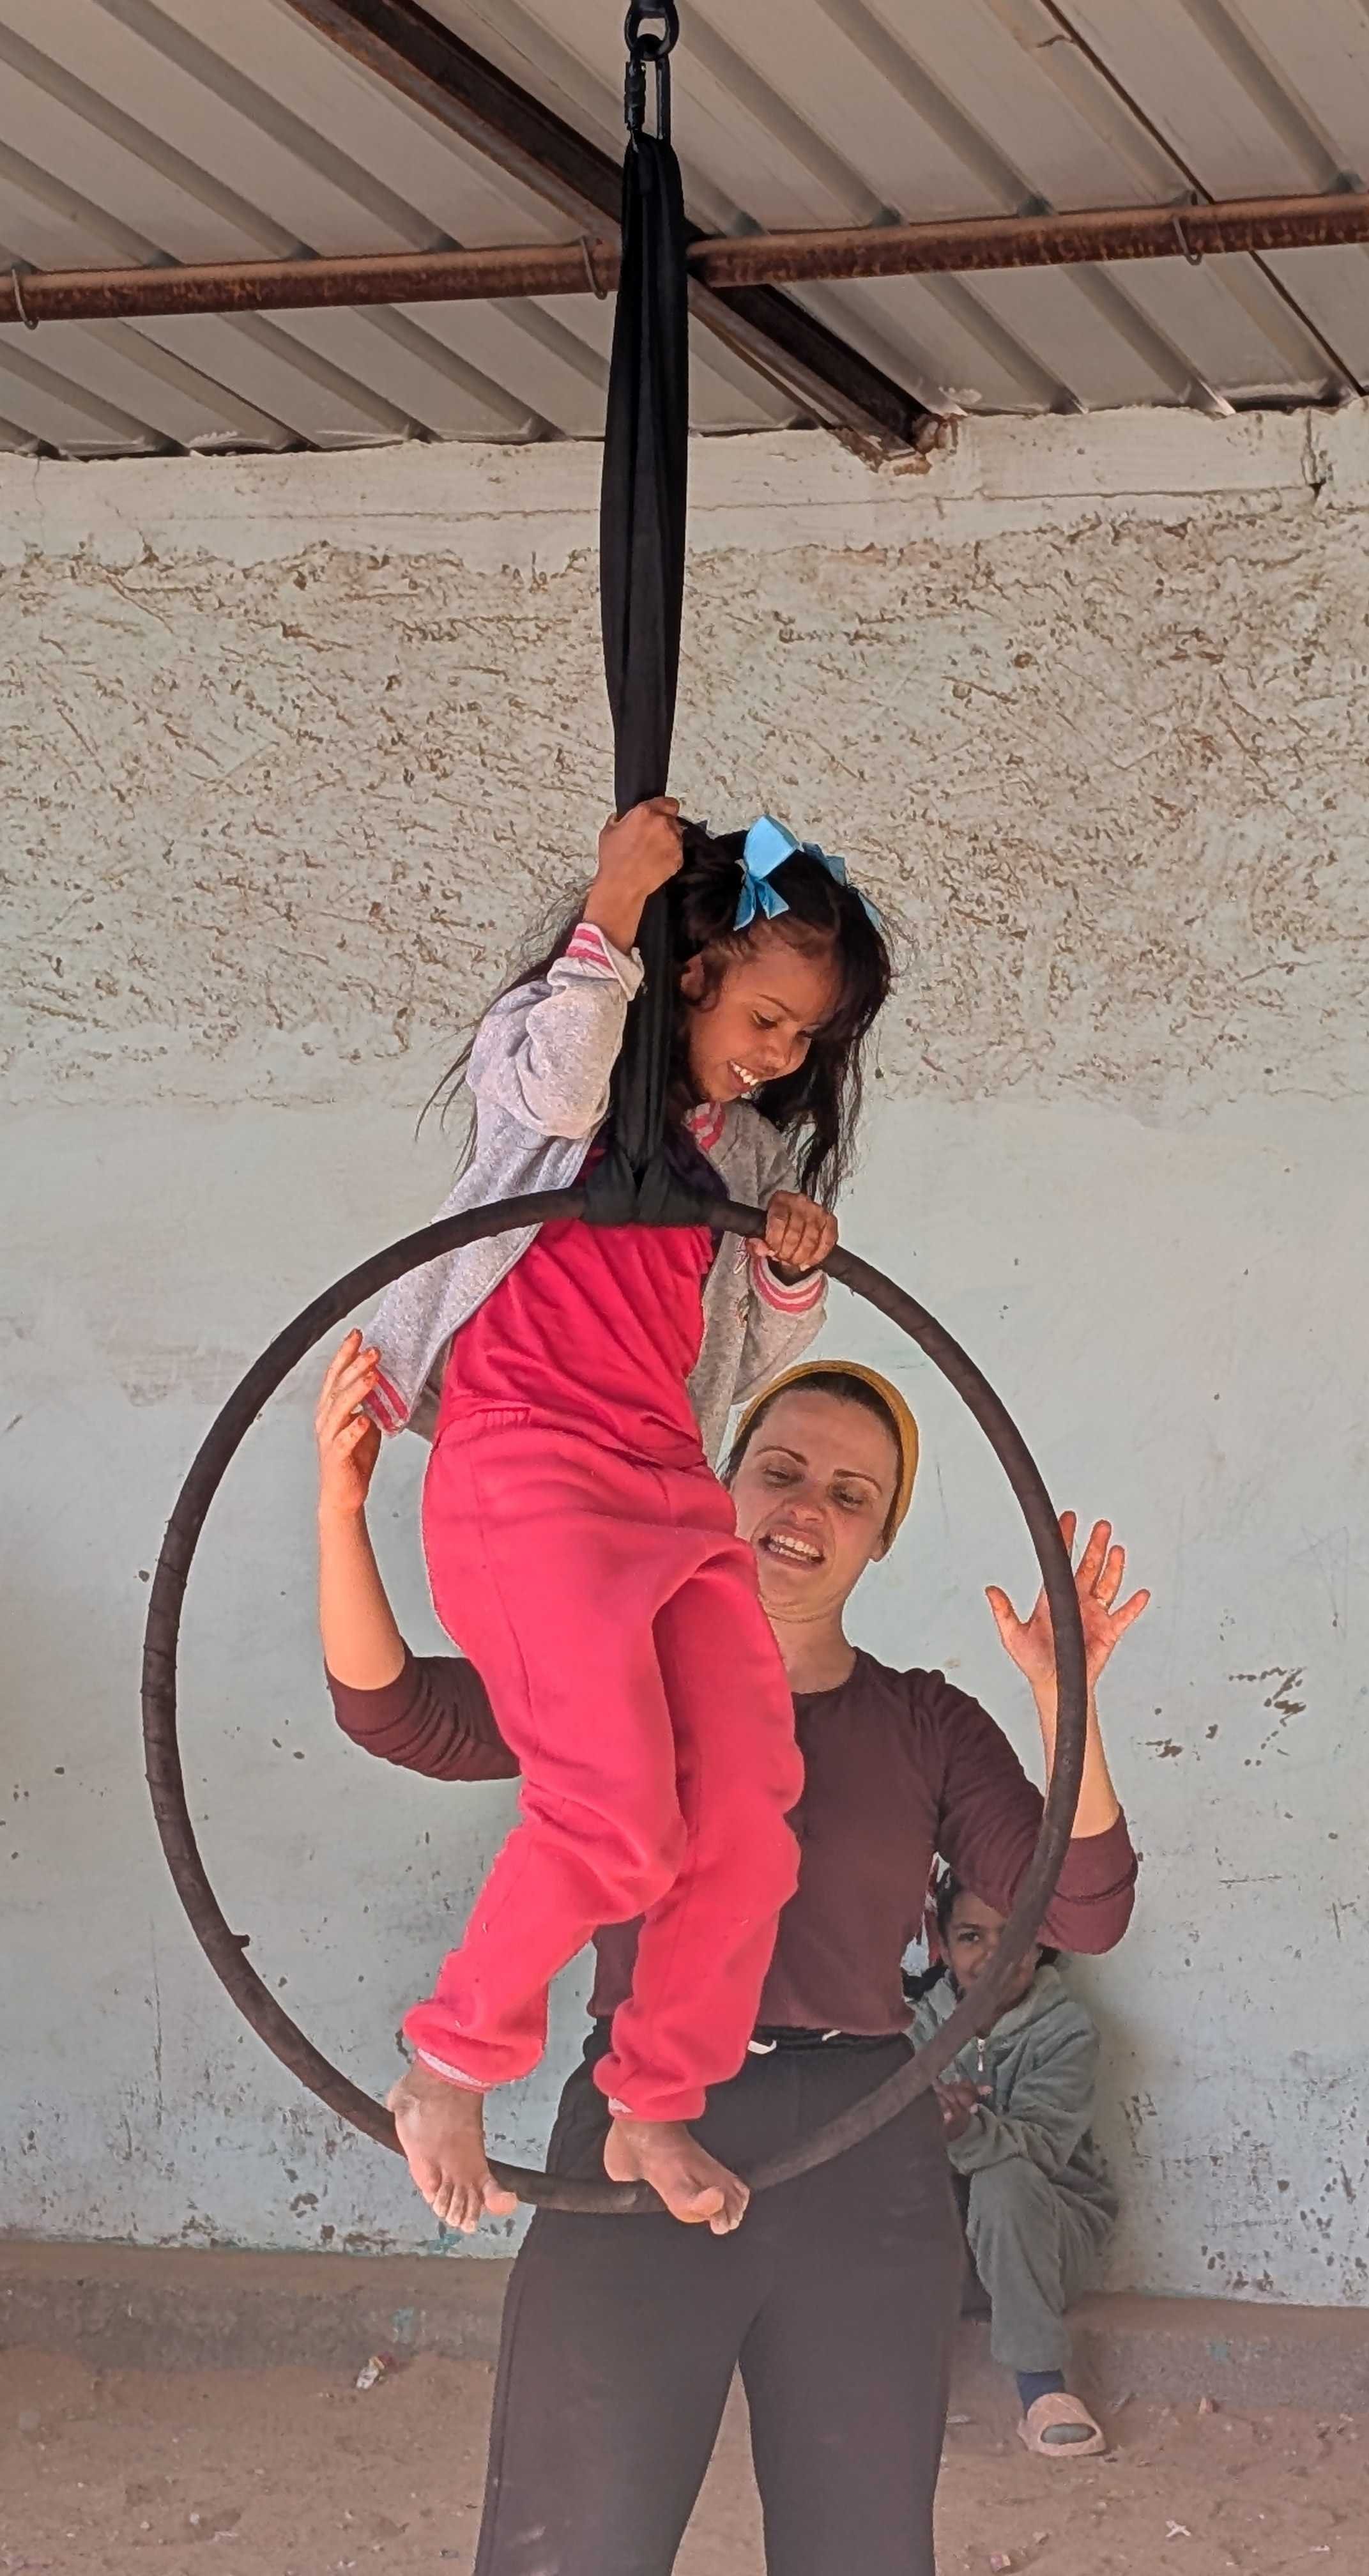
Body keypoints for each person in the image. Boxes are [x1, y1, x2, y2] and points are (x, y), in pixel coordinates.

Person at [315, 1350, 1146, 2576]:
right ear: (720, 1487)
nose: (806, 1508)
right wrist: (341, 1514)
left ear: (878, 1541)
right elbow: (398, 1713)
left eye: (850, 1494)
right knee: (572, 2536)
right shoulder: (621, 1673)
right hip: (634, 2128)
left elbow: (1078, 1908)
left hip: (863, 2147)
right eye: (781, 1469)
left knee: (858, 2544)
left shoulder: (923, 1722)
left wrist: (1063, 1695)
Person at [351, 802, 892, 2240]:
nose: (785, 1058)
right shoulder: (565, 1094)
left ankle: (656, 2093)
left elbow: (748, 1369)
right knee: (609, 1815)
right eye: (772, 1018)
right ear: (696, 971)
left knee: (746, 1803)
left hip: (664, 1489)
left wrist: (787, 1268)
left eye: (806, 1042)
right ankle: (450, 2055)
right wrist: (613, 905)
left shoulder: (741, 1159)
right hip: (528, 1476)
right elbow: (562, 1076)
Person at [914, 1871, 1119, 2460]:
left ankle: (1042, 2391)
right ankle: (864, 2372)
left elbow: (1043, 2146)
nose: (992, 1955)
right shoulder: (913, 2029)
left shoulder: (1066, 2031)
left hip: (1049, 2245)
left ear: (1041, 1940)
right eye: (972, 1937)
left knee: (1005, 2180)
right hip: (950, 2258)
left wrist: (962, 2130)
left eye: (1015, 1934)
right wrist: (920, 2125)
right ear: (943, 1944)